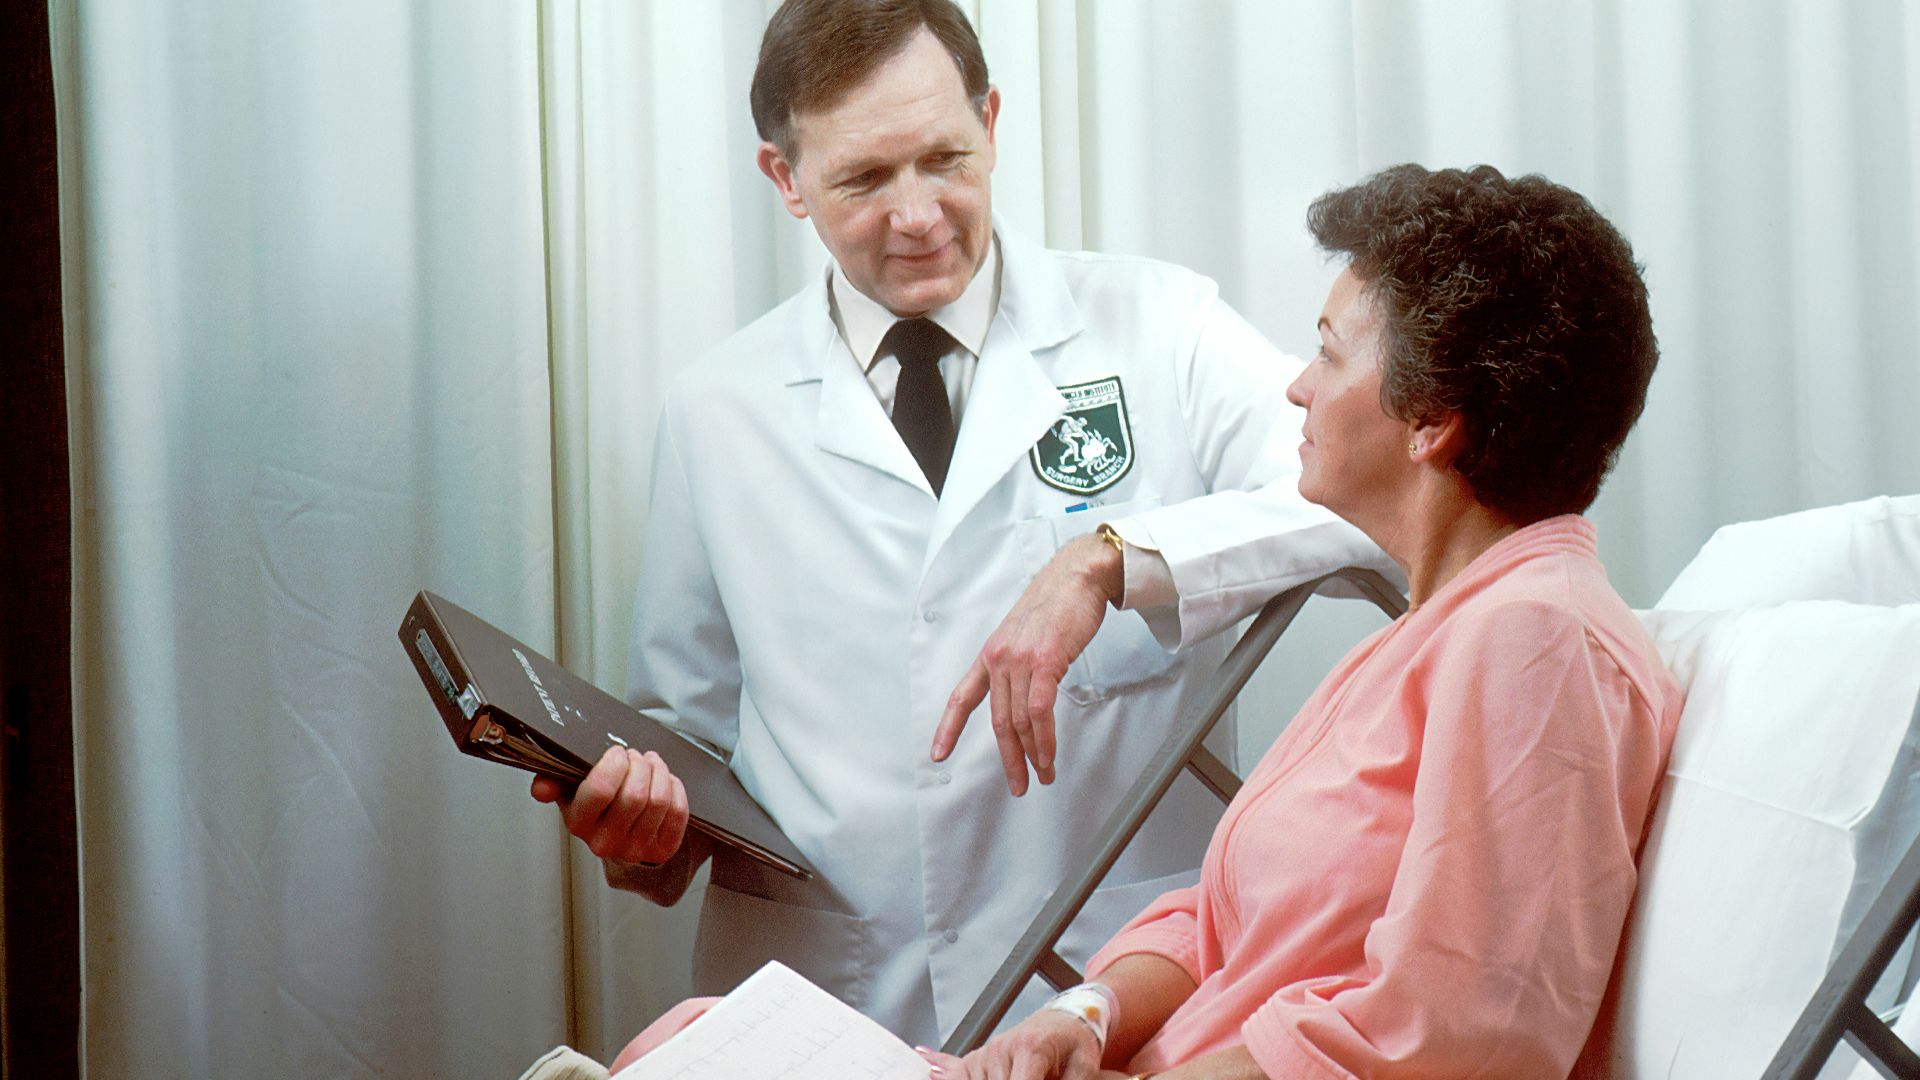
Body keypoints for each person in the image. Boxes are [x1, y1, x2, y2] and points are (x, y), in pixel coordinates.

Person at [530, 0, 1383, 1049]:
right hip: (830, 1008)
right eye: (863, 179)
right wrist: (641, 836)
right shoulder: (718, 408)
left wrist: (1111, 560)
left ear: (991, 120)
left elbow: (1372, 509)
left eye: (946, 158)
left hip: (1109, 994)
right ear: (784, 179)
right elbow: (689, 744)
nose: (920, 214)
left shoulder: (1162, 328)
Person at [916, 163, 1683, 1078]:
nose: (1296, 389)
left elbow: (1461, 1038)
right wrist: (1084, 1013)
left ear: (1431, 421)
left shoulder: (1539, 642)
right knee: (699, 1029)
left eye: (1328, 352)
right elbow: (1221, 920)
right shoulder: (1427, 634)